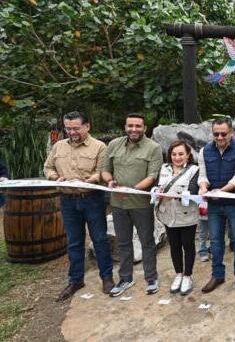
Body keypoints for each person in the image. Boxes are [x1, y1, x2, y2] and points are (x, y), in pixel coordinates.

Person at [43, 111, 114, 301]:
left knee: (99, 239)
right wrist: (55, 177)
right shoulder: (58, 146)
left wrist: (93, 179)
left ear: (87, 126)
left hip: (92, 199)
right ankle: (75, 280)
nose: (72, 132)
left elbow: (103, 171)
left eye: (76, 128)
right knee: (74, 242)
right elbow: (47, 168)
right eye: (68, 128)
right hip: (67, 201)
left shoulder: (99, 147)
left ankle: (106, 278)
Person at [101, 113, 163, 297]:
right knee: (123, 242)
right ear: (125, 126)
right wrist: (110, 181)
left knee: (147, 242)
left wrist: (132, 190)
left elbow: (152, 176)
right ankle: (126, 277)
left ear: (144, 128)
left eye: (138, 126)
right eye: (130, 126)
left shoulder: (153, 148)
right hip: (117, 203)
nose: (133, 129)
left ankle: (151, 278)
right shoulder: (114, 144)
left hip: (141, 204)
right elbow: (104, 169)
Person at [198, 117, 235, 295]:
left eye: (223, 134)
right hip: (213, 206)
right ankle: (217, 275)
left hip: (234, 203)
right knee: (215, 241)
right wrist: (203, 186)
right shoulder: (204, 151)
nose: (219, 137)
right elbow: (202, 175)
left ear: (231, 133)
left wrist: (222, 190)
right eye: (216, 134)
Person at [154, 140, 199, 296]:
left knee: (188, 245)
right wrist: (156, 191)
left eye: (181, 154)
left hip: (186, 214)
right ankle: (178, 274)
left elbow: (193, 189)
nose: (177, 157)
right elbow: (160, 185)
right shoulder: (164, 168)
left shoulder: (194, 170)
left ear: (188, 155)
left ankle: (188, 276)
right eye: (174, 154)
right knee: (174, 245)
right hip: (168, 213)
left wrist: (183, 194)